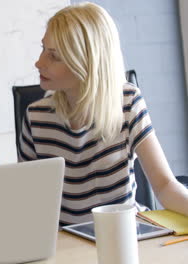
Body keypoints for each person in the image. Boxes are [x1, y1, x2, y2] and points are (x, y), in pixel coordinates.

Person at [18, 2, 188, 225]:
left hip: (126, 233)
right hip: (69, 244)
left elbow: (165, 185)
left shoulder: (127, 102)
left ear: (87, 63)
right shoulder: (35, 117)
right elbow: (28, 205)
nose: (38, 62)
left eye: (54, 56)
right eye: (43, 49)